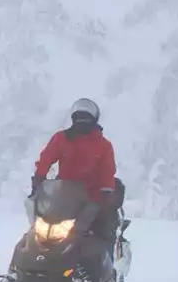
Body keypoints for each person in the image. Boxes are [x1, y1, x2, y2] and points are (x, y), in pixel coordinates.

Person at [32, 98, 118, 242]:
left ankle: (106, 259)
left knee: (103, 229)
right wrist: (39, 178)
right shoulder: (62, 139)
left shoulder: (103, 145)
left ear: (94, 121)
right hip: (64, 197)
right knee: (40, 229)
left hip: (92, 199)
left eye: (86, 119)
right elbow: (46, 157)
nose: (82, 122)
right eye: (79, 118)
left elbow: (107, 172)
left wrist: (106, 193)